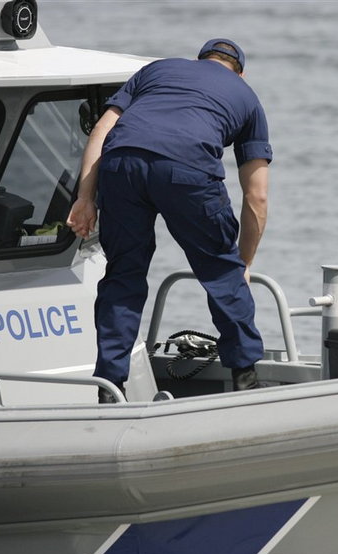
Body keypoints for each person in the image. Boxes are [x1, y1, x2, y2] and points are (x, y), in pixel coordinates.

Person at [67, 39, 272, 402]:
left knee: (123, 274)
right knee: (222, 271)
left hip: (121, 163)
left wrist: (85, 198)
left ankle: (110, 390)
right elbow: (256, 196)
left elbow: (101, 130)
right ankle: (245, 382)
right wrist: (244, 262)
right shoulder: (246, 97)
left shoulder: (157, 70)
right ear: (238, 70)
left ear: (200, 60)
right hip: (187, 169)